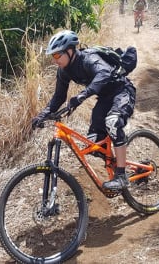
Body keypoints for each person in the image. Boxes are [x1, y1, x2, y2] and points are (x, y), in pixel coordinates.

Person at [31, 30, 136, 191]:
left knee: (113, 122)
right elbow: (59, 97)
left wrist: (82, 95)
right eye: (53, 56)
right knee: (94, 144)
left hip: (122, 92)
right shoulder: (64, 71)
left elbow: (104, 73)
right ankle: (115, 163)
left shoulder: (88, 58)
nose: (55, 60)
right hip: (104, 99)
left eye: (58, 55)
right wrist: (43, 115)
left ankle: (121, 177)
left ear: (70, 50)